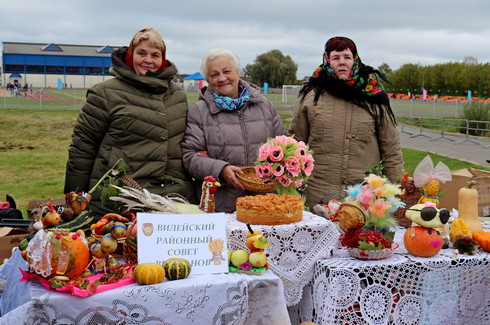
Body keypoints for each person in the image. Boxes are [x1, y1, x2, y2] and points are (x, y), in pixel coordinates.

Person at [64, 27, 197, 216]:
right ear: (130, 55)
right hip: (120, 197)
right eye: (141, 53)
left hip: (173, 198)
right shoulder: (105, 93)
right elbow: (83, 148)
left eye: (155, 55)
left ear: (163, 59)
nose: (148, 60)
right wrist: (74, 196)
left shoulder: (177, 95)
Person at [289, 36, 404, 210]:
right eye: (336, 58)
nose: (342, 62)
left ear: (355, 60)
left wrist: (393, 193)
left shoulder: (374, 97)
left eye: (347, 57)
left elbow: (391, 150)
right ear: (327, 60)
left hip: (364, 201)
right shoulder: (311, 96)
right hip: (318, 199)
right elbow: (295, 144)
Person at [181, 48, 286, 213]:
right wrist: (220, 169)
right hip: (223, 206)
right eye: (214, 74)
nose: (222, 78)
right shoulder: (199, 111)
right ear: (208, 79)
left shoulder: (264, 105)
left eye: (226, 71)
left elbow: (285, 145)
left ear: (238, 72)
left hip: (265, 203)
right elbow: (190, 157)